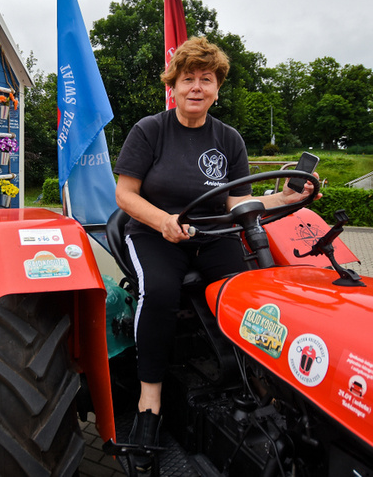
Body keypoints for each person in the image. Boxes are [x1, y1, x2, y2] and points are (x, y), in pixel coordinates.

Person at [113, 36, 318, 471]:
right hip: (155, 233)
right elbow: (125, 195)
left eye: (206, 79)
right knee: (160, 293)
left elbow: (235, 203)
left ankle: (261, 385)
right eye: (188, 78)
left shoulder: (228, 138)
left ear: (217, 89)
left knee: (247, 293)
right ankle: (150, 401)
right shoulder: (149, 131)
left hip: (213, 233)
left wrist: (285, 199)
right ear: (173, 86)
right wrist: (163, 221)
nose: (196, 87)